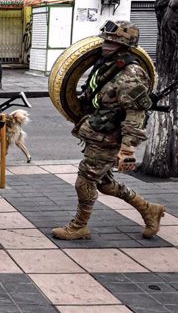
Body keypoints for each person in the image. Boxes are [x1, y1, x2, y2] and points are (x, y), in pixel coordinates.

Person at [53, 19, 166, 240]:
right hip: (97, 132)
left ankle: (79, 226)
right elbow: (93, 95)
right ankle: (149, 209)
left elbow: (135, 114)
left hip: (109, 137)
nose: (105, 45)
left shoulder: (131, 73)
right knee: (105, 184)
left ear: (124, 46)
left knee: (84, 180)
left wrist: (127, 150)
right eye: (105, 40)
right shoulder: (107, 66)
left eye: (111, 43)